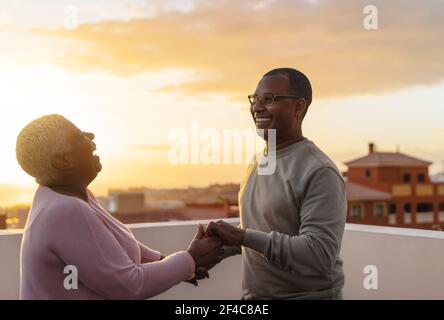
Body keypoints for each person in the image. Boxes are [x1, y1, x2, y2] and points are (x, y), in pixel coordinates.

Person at [16, 114, 222, 299]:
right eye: (79, 136)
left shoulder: (69, 198)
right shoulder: (65, 210)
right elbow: (130, 286)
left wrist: (167, 262)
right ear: (64, 160)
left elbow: (112, 246)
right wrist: (190, 259)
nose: (91, 138)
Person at [206, 68, 347, 299]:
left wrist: (242, 237)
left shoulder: (320, 171)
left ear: (298, 107)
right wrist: (220, 245)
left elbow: (318, 254)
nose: (257, 107)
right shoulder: (258, 161)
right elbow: (267, 230)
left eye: (269, 99)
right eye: (255, 99)